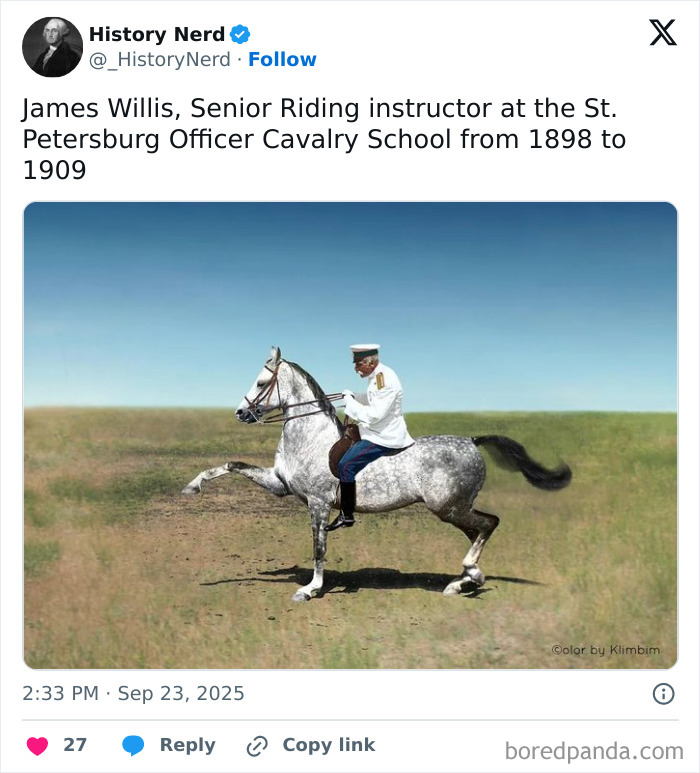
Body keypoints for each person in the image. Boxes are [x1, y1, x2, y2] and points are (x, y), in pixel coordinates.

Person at [326, 344, 414, 531]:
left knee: (346, 465)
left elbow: (375, 414)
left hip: (383, 436)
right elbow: (372, 398)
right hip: (375, 431)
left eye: (358, 364)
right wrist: (353, 396)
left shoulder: (385, 379)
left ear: (370, 363)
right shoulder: (377, 376)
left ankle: (346, 515)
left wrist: (350, 402)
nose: (356, 369)